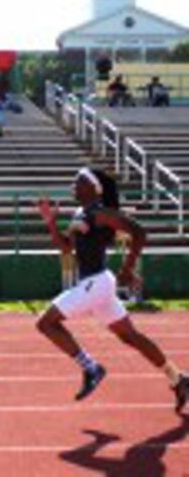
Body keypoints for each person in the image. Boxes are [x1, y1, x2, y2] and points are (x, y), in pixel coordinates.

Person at [36, 167, 188, 413]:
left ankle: (91, 367)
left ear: (94, 188)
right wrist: (50, 222)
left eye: (80, 180)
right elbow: (66, 248)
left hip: (96, 282)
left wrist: (128, 269)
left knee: (45, 323)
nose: (74, 184)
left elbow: (139, 232)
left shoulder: (101, 213)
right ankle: (177, 378)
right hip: (97, 285)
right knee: (130, 336)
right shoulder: (80, 213)